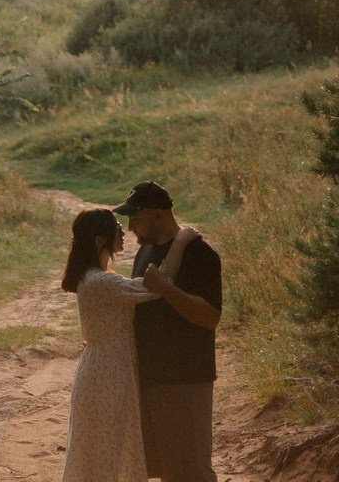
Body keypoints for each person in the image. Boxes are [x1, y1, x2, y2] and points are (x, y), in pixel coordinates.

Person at [59, 207, 200, 482]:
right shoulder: (100, 281)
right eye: (116, 227)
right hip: (106, 373)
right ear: (100, 240)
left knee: (105, 450)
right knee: (105, 450)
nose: (123, 231)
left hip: (106, 369)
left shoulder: (98, 277)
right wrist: (181, 241)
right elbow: (158, 285)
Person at [114, 181, 223, 482]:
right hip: (150, 377)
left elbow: (210, 317)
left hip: (185, 378)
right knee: (162, 469)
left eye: (136, 218)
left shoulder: (200, 253)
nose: (130, 226)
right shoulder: (145, 250)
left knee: (191, 470)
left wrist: (167, 290)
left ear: (159, 214)